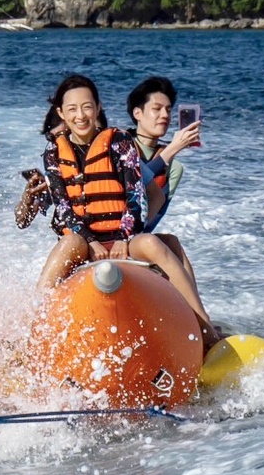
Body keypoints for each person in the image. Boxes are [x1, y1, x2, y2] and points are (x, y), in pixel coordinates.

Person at [36, 74, 219, 350]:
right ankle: (33, 331)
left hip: (124, 238)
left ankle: (204, 330)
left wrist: (124, 236)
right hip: (85, 242)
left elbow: (136, 194)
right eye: (72, 109)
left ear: (98, 108)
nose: (81, 115)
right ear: (61, 112)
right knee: (68, 243)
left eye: (87, 107)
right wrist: (89, 240)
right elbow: (62, 206)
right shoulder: (53, 151)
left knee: (152, 243)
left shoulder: (119, 140)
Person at [126, 76, 202, 279]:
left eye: (168, 110)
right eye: (156, 109)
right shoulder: (119, 146)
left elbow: (150, 220)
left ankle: (194, 310)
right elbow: (135, 182)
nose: (164, 115)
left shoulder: (174, 169)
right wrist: (172, 149)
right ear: (137, 113)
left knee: (173, 243)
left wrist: (169, 154)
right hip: (110, 235)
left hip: (138, 238)